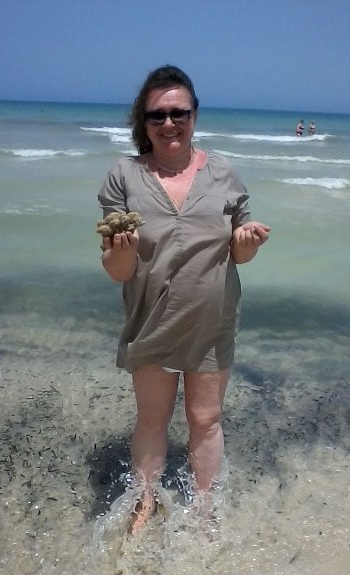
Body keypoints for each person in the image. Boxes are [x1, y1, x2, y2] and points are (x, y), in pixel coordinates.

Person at [98, 65, 270, 533]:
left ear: (195, 115)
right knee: (152, 420)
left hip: (212, 321)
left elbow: (238, 252)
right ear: (144, 120)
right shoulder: (125, 175)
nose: (169, 123)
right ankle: (144, 501)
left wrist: (247, 243)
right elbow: (118, 271)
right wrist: (123, 250)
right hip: (151, 318)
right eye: (157, 115)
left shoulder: (223, 172)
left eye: (179, 113)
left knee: (206, 419)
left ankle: (205, 507)